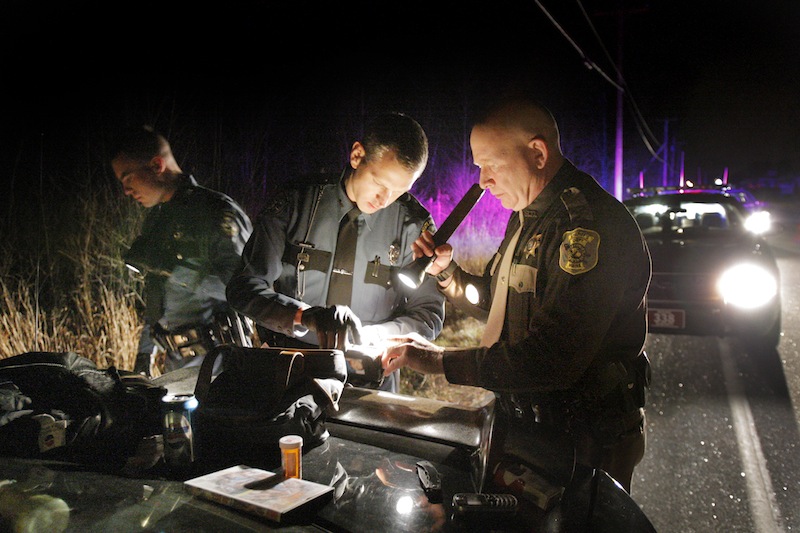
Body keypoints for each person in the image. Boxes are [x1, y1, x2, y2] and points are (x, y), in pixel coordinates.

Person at [382, 96, 652, 495]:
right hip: (530, 427)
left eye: (491, 164)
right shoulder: (528, 216)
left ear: (538, 153)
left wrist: (440, 362)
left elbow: (554, 358)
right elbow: (497, 300)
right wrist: (447, 273)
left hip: (585, 441)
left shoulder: (586, 228)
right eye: (478, 168)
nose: (483, 181)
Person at [226, 112, 445, 393]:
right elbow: (243, 289)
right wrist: (303, 317)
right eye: (380, 183)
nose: (385, 200)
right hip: (291, 369)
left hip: (371, 379)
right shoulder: (296, 203)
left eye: (399, 191)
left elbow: (428, 314)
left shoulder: (413, 225)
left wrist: (374, 336)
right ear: (357, 156)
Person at [111, 124, 253, 377]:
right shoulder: (157, 220)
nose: (126, 191)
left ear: (157, 165)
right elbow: (158, 297)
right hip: (175, 367)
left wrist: (172, 270)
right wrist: (144, 355)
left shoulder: (215, 212)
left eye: (128, 178)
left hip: (221, 366)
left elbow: (247, 293)